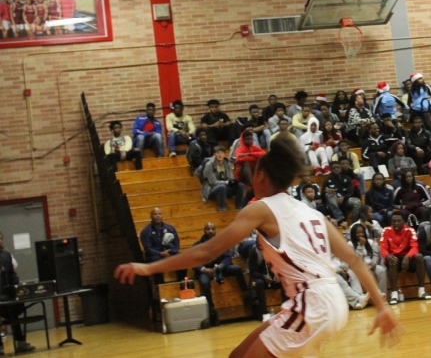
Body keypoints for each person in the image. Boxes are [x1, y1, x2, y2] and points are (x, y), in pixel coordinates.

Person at [116, 138, 401, 357]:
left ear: (261, 176)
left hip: (312, 303)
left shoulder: (261, 209)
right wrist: (382, 306)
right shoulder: (312, 213)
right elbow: (353, 259)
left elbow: (206, 252)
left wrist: (148, 268)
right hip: (330, 301)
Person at [192, 223, 249, 326]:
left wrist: (221, 266)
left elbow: (227, 257)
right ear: (204, 230)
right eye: (208, 229)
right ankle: (211, 309)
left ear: (215, 230)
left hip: (220, 268)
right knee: (204, 282)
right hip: (206, 271)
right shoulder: (197, 245)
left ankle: (246, 293)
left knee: (237, 269)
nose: (210, 231)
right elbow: (194, 261)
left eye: (212, 229)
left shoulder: (222, 242)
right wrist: (204, 269)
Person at [381, 212, 431, 304]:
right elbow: (383, 247)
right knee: (393, 260)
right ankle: (394, 294)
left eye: (398, 221)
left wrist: (407, 257)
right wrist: (387, 256)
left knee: (419, 256)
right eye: (394, 221)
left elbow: (415, 247)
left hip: (407, 257)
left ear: (404, 222)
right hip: (393, 259)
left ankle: (421, 291)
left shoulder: (410, 230)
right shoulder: (386, 230)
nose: (396, 223)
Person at [0, 232, 36, 354]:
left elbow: (12, 274)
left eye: (1, 238)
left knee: (14, 312)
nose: (0, 241)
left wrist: (16, 287)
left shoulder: (6, 255)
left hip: (6, 293)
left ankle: (21, 342)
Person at [139, 207, 186, 285]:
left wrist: (171, 252)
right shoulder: (146, 231)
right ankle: (160, 286)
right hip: (154, 255)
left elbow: (176, 244)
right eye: (155, 214)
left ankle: (182, 283)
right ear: (151, 216)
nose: (158, 216)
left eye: (159, 214)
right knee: (156, 261)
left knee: (182, 259)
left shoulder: (170, 228)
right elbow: (148, 248)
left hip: (169, 253)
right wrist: (160, 253)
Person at [203, 145, 246, 211]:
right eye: (218, 153)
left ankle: (239, 207)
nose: (220, 155)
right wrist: (227, 182)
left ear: (224, 154)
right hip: (211, 189)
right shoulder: (209, 165)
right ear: (214, 155)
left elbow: (230, 178)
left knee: (241, 185)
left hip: (225, 186)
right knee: (221, 187)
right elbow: (213, 182)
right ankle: (222, 208)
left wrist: (233, 182)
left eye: (222, 153)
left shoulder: (227, 163)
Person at [349, 223, 387, 297]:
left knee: (382, 270)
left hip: (370, 264)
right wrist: (360, 246)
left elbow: (375, 255)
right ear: (353, 234)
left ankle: (383, 294)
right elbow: (356, 259)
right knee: (369, 272)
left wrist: (374, 262)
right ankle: (377, 295)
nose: (360, 234)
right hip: (358, 267)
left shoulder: (370, 242)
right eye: (357, 233)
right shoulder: (350, 244)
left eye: (362, 232)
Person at [323, 161, 361, 225]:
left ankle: (355, 223)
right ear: (331, 170)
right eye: (334, 168)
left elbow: (351, 192)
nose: (336, 169)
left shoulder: (347, 178)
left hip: (346, 199)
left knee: (356, 201)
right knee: (329, 195)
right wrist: (326, 191)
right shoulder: (327, 180)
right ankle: (341, 219)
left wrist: (343, 197)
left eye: (338, 167)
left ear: (340, 168)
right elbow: (323, 194)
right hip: (333, 201)